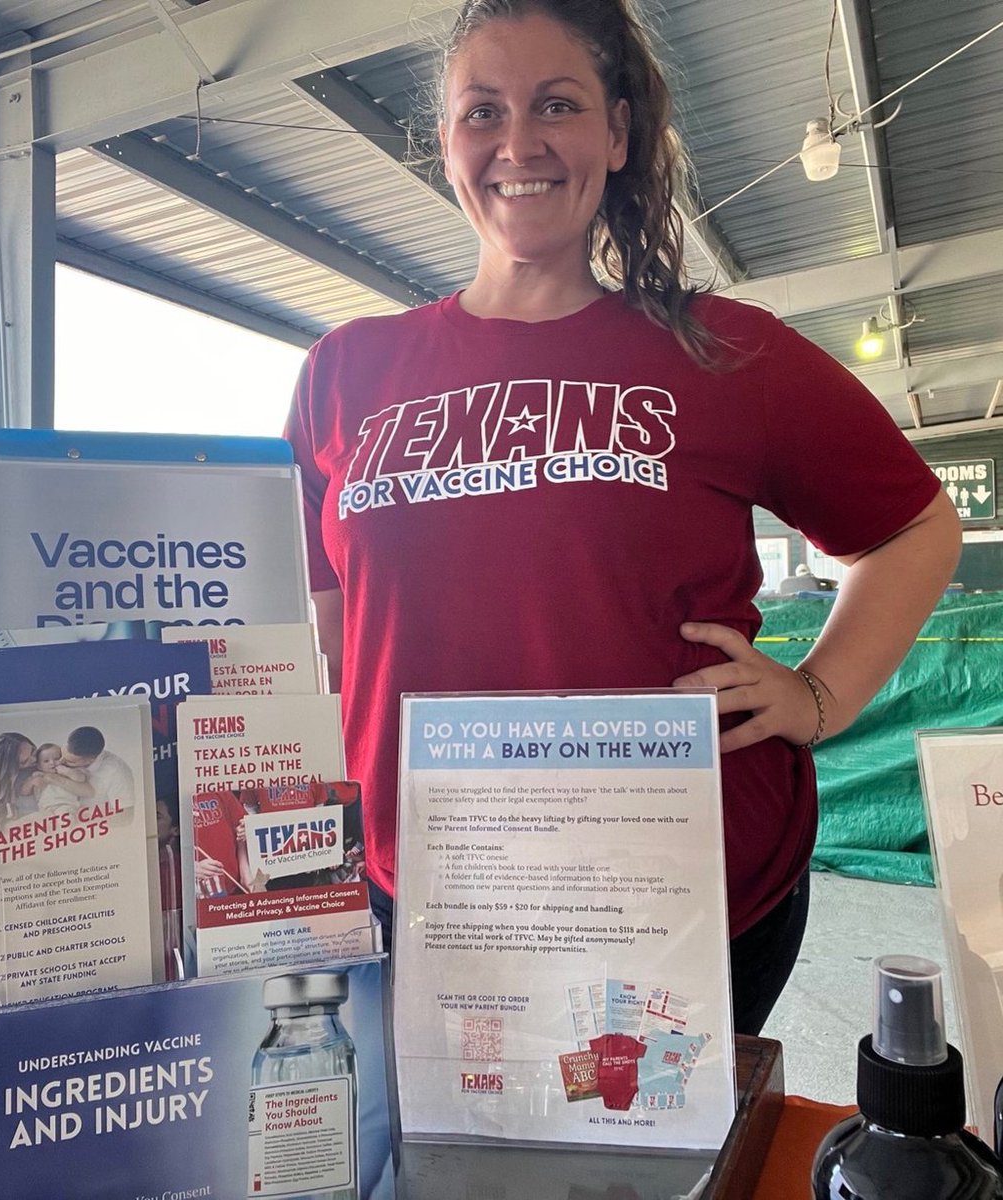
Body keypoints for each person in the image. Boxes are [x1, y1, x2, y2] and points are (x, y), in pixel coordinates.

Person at [285, 0, 961, 1035]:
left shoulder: (722, 351)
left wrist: (819, 696)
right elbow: (332, 635)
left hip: (679, 899)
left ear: (617, 133)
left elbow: (914, 529)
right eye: (482, 112)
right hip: (432, 890)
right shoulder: (346, 372)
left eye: (557, 105)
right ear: (447, 145)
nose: (518, 144)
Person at [60, 725, 135, 818]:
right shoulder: (68, 749)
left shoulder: (117, 772)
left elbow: (126, 816)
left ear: (90, 760)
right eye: (61, 754)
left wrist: (84, 818)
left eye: (70, 761)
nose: (60, 762)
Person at [0, 732, 37, 832]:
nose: (34, 759)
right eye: (24, 762)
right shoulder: (4, 795)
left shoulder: (46, 763)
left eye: (33, 752)